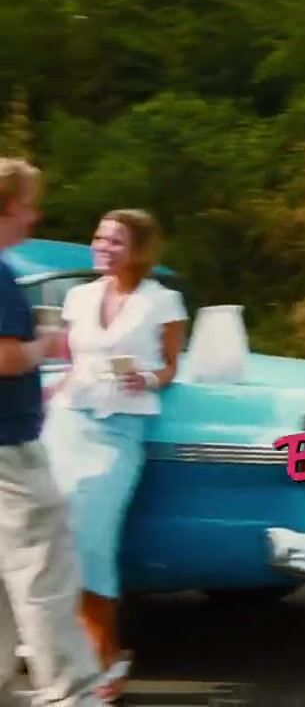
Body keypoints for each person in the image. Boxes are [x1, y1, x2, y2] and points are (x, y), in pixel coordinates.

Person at [42, 209, 188, 701]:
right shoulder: (78, 296)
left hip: (120, 426)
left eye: (116, 241)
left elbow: (171, 366)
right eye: (99, 238)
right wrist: (48, 395)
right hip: (66, 420)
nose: (103, 247)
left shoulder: (162, 301)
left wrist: (146, 378)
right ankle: (65, 653)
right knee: (51, 531)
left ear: (139, 250)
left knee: (91, 535)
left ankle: (106, 655)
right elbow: (71, 361)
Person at [0, 157, 107, 706]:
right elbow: (5, 358)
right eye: (27, 205)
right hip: (8, 451)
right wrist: (45, 345)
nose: (35, 215)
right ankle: (71, 695)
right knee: (44, 574)